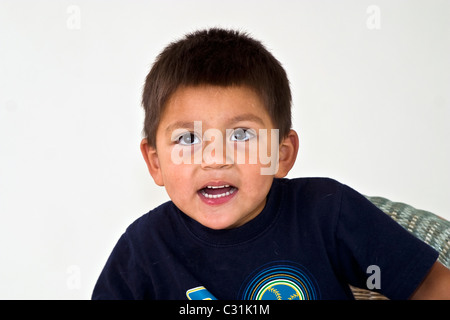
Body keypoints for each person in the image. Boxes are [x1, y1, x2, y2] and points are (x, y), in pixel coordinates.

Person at [92, 28, 450, 300]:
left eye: (242, 134)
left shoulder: (327, 212)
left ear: (281, 153)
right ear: (155, 163)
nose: (215, 158)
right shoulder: (142, 252)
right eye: (188, 139)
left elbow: (434, 285)